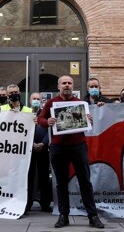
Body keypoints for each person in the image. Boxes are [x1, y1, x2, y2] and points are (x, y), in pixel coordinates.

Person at [37, 75, 104, 229]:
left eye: (69, 83)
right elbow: (40, 119)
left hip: (78, 146)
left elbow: (88, 123)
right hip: (58, 148)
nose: (66, 85)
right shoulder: (51, 103)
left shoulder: (80, 103)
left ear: (73, 86)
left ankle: (93, 216)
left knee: (85, 182)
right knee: (61, 184)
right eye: (64, 83)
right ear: (58, 86)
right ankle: (63, 216)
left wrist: (89, 120)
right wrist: (47, 122)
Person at [26, 92, 52, 213]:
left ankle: (45, 203)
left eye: (38, 99)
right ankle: (27, 203)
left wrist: (43, 143)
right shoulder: (24, 113)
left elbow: (50, 131)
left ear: (41, 101)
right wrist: (31, 144)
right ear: (30, 101)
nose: (36, 100)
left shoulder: (46, 114)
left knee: (44, 177)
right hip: (28, 150)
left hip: (43, 148)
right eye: (34, 99)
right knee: (28, 177)